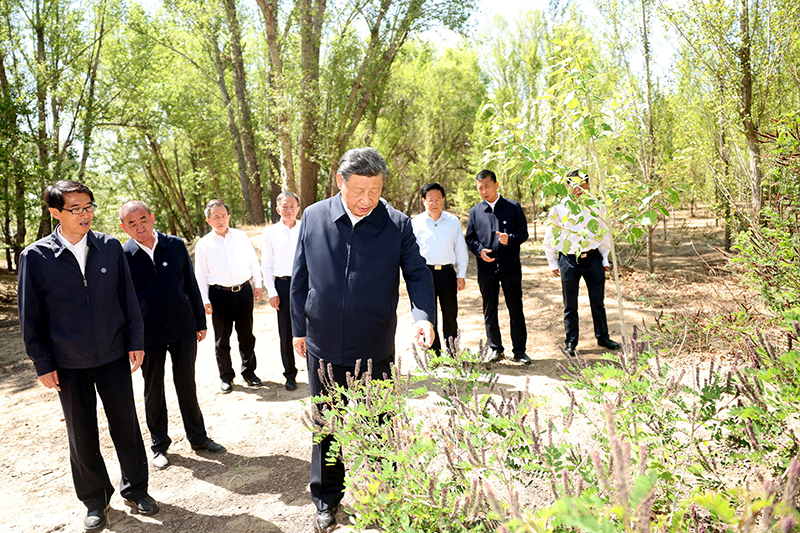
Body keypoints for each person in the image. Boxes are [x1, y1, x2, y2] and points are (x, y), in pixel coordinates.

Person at [290, 147, 435, 531]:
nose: (367, 199)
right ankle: (326, 500)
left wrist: (422, 317)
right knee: (326, 425)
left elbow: (418, 274)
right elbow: (299, 276)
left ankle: (384, 497)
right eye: (359, 190)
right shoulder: (315, 216)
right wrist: (298, 329)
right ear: (341, 182)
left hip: (373, 346)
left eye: (375, 190)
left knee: (379, 424)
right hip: (321, 344)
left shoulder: (397, 224)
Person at [17, 181, 158, 532]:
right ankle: (96, 499)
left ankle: (136, 489)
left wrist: (135, 340)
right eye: (76, 209)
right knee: (81, 434)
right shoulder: (35, 257)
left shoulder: (109, 246)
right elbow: (29, 316)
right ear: (55, 213)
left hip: (113, 355)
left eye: (89, 206)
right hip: (67, 362)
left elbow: (127, 298)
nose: (85, 214)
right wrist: (42, 362)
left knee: (125, 423)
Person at [119, 200, 226, 471]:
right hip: (148, 335)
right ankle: (159, 445)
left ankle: (199, 438)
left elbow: (190, 283)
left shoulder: (175, 245)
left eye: (143, 219)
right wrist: (132, 339)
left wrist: (200, 321)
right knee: (153, 390)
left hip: (183, 328)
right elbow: (123, 301)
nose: (139, 226)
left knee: (186, 384)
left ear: (152, 218)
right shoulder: (123, 255)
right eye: (132, 224)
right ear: (124, 228)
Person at [543, 169, 621, 356]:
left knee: (598, 301)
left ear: (587, 185)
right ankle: (571, 341)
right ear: (567, 186)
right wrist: (553, 262)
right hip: (568, 261)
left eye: (581, 183)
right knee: (570, 304)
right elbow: (549, 236)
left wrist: (604, 257)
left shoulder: (596, 206)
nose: (577, 188)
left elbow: (604, 233)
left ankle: (603, 337)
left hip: (592, 258)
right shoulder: (558, 207)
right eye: (572, 184)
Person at [194, 199, 264, 393]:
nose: (220, 220)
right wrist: (205, 299)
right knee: (222, 339)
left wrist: (258, 284)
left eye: (223, 215)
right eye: (216, 217)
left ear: (229, 216)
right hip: (219, 295)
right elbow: (200, 275)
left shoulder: (240, 236)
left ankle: (249, 373)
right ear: (208, 220)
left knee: (247, 335)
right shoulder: (204, 245)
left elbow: (253, 261)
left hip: (243, 292)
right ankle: (226, 377)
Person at [465, 169, 531, 364]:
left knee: (515, 308)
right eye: (479, 188)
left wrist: (509, 239)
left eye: (486, 186)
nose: (483, 191)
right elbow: (470, 238)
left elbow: (523, 233)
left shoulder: (513, 207)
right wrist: (479, 251)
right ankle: (495, 348)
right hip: (486, 269)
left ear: (496, 185)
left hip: (510, 267)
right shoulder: (476, 211)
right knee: (489, 308)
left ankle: (519, 350)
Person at [411, 182, 469, 354]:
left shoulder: (453, 221)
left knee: (450, 316)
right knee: (429, 316)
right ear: (423, 201)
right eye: (430, 199)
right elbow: (411, 251)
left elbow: (460, 249)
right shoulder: (416, 223)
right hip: (424, 274)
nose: (434, 203)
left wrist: (462, 274)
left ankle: (452, 354)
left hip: (447, 274)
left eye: (437, 199)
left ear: (443, 200)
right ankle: (433, 355)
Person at [261, 191, 301, 391]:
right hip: (283, 285)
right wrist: (272, 291)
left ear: (298, 208)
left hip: (305, 284)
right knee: (286, 332)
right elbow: (267, 265)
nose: (288, 209)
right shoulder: (270, 233)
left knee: (312, 328)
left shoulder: (305, 228)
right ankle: (290, 374)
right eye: (284, 206)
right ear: (278, 209)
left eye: (292, 205)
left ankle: (316, 370)